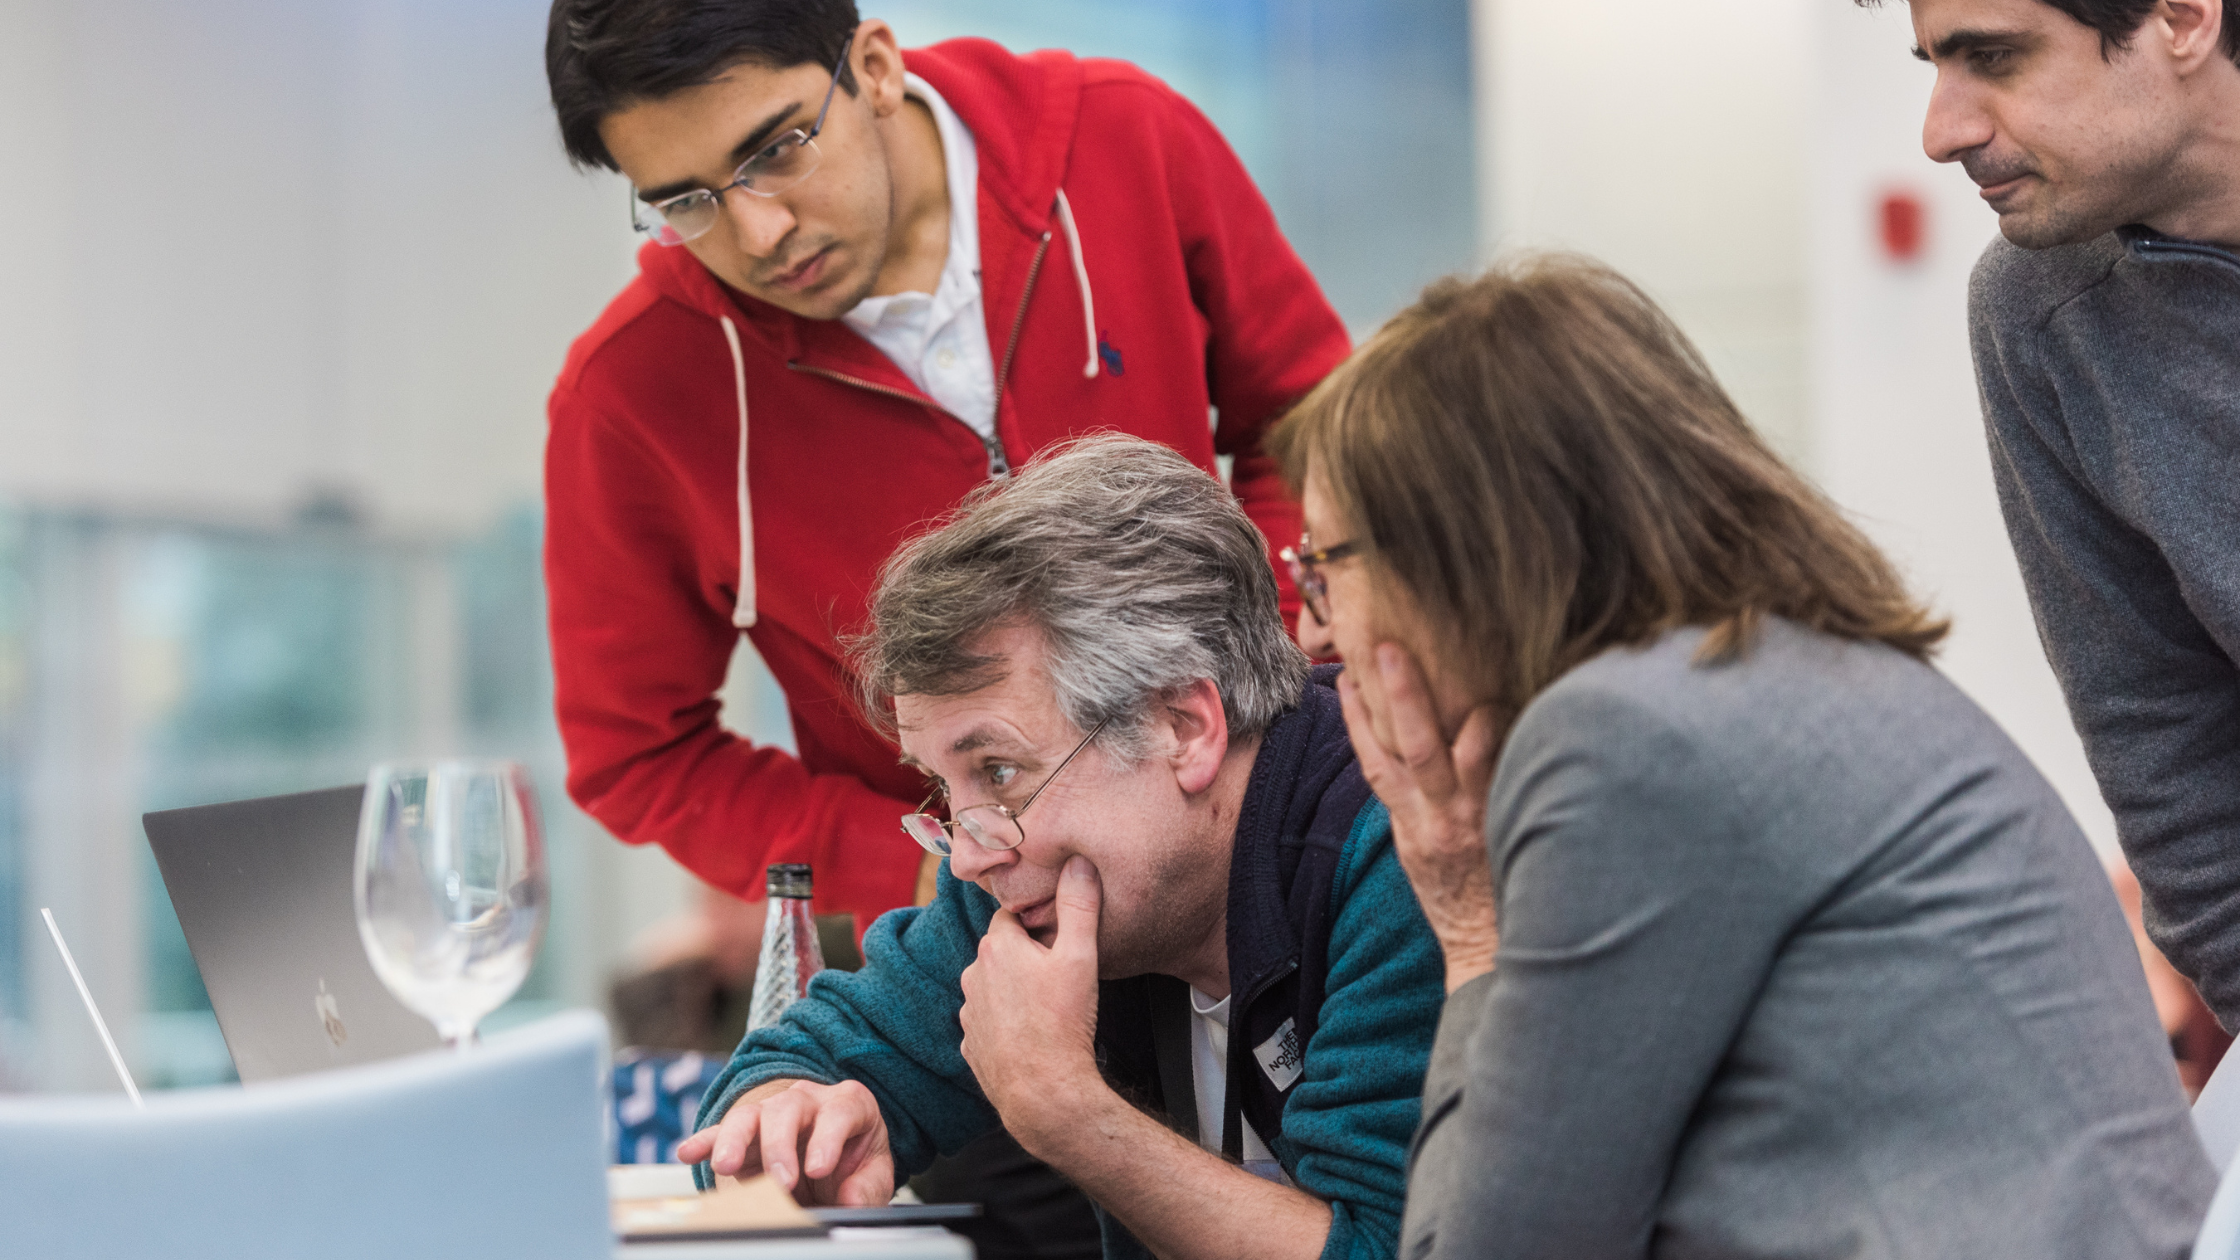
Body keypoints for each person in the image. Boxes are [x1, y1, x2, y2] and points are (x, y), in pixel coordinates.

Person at [1268, 256, 2216, 1257]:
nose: (1311, 634)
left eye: (1320, 566)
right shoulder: (1760, 674)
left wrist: (1467, 925)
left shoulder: (1627, 738)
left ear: (1460, 554)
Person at [540, 0, 1344, 926]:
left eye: (775, 151)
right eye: (686, 200)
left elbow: (1310, 426)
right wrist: (918, 868)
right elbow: (636, 757)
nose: (759, 233)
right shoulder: (632, 395)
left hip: (1269, 826)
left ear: (875, 68)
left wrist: (1268, 689)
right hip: (986, 922)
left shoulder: (1128, 139)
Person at [675, 436, 1443, 1260]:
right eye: (943, 788)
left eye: (998, 769)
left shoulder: (1402, 847)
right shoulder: (1034, 881)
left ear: (1182, 728)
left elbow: (1393, 1249)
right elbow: (797, 1062)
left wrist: (1075, 1118)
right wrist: (788, 1120)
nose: (967, 855)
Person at [1884, 0, 2240, 1023]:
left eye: (1991, 57)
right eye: (1931, 66)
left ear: (2179, 17)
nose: (1940, 130)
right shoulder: (2037, 314)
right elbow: (2166, 756)